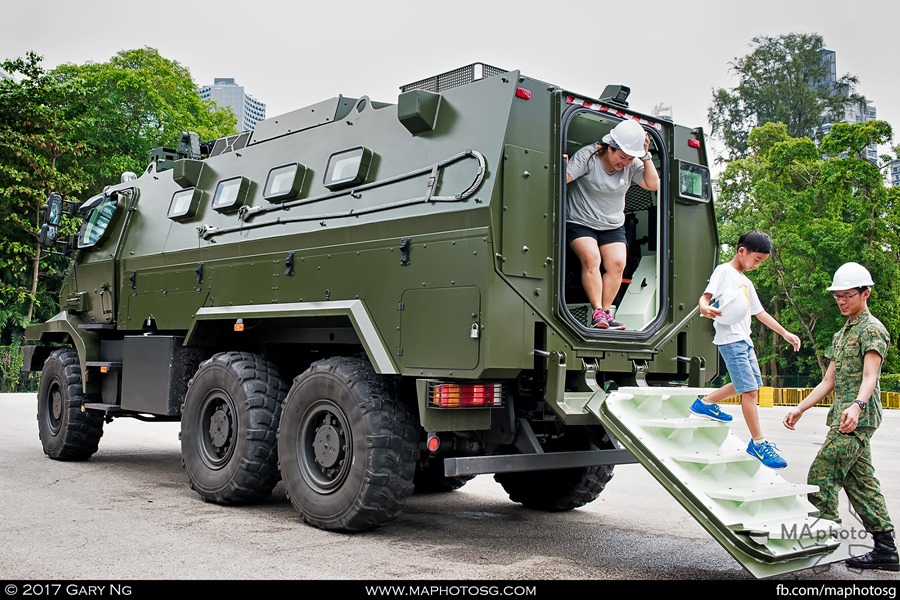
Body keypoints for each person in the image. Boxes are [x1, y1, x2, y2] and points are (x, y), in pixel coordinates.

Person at [783, 262, 897, 572]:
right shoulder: (842, 332)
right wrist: (800, 408)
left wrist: (857, 406)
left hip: (858, 416)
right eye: (838, 296)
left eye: (847, 295)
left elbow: (870, 376)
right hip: (844, 415)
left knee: (822, 472)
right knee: (861, 483)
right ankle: (886, 549)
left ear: (865, 293)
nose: (842, 301)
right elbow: (828, 382)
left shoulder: (872, 329)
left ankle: (822, 537)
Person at [690, 230, 801, 469]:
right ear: (742, 251)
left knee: (750, 384)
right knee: (749, 391)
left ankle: (705, 403)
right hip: (730, 340)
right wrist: (704, 308)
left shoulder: (746, 282)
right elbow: (705, 297)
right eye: (756, 260)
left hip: (745, 340)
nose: (757, 265)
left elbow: (760, 313)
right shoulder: (724, 271)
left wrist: (785, 333)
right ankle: (758, 443)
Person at [565, 119, 659, 329]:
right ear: (609, 147)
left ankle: (605, 313)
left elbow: (653, 184)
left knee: (617, 264)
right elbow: (562, 178)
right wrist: (562, 164)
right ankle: (597, 311)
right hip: (581, 221)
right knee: (592, 258)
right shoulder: (588, 157)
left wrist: (645, 156)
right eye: (622, 156)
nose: (624, 162)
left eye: (629, 158)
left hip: (612, 224)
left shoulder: (632, 164)